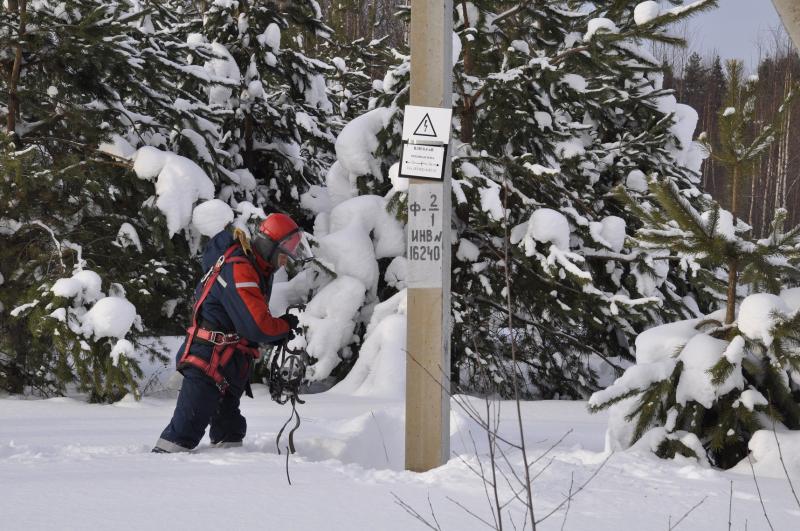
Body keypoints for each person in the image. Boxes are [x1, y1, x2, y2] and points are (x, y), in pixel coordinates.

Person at [152, 213, 311, 453]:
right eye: (283, 253)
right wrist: (283, 328)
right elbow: (256, 326)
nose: (285, 261)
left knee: (230, 431)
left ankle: (229, 484)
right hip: (208, 359)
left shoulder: (255, 267)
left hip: (229, 361)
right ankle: (154, 477)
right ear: (269, 246)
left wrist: (279, 329)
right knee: (183, 433)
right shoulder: (240, 268)